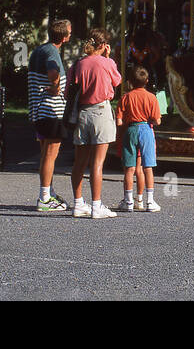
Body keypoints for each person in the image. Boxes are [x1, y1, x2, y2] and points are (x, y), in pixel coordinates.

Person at [69, 29, 122, 219]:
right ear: (103, 45)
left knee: (79, 162)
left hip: (82, 113)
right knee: (97, 163)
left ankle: (77, 203)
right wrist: (108, 58)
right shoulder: (107, 63)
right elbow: (117, 81)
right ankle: (97, 206)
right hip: (101, 111)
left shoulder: (77, 64)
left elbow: (69, 89)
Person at [29, 19, 72, 212]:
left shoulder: (40, 50)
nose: (71, 35)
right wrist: (55, 87)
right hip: (51, 110)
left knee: (46, 154)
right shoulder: (52, 52)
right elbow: (53, 72)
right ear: (64, 37)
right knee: (50, 154)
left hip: (39, 110)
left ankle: (49, 191)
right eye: (69, 32)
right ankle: (44, 198)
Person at [117, 66, 162, 213]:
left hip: (130, 130)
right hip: (145, 129)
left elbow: (119, 121)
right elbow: (157, 121)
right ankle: (149, 201)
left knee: (129, 169)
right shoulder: (151, 97)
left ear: (130, 82)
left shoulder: (126, 97)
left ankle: (128, 201)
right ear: (147, 81)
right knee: (147, 167)